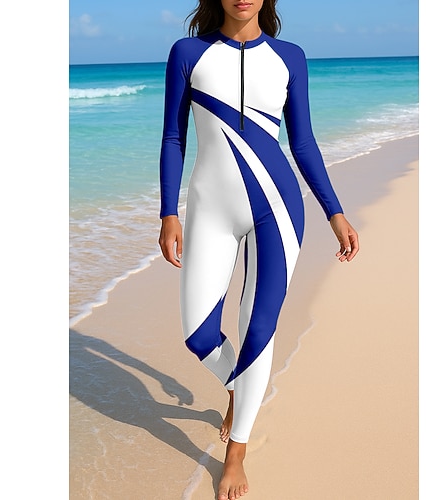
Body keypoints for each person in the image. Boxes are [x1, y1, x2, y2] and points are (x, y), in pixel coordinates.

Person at [158, 1, 359, 498]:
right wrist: (168, 213)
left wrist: (334, 212)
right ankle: (237, 386)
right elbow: (173, 137)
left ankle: (236, 453)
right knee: (198, 333)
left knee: (258, 332)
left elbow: (303, 142)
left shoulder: (290, 57)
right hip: (210, 209)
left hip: (279, 210)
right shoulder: (188, 53)